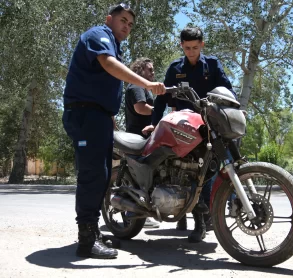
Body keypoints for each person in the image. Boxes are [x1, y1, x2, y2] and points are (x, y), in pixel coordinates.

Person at [62, 3, 165, 259]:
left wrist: (108, 117)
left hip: (98, 116)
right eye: (123, 20)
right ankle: (85, 240)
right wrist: (147, 83)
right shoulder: (99, 34)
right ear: (110, 19)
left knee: (103, 174)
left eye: (130, 24)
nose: (126, 26)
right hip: (85, 113)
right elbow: (109, 65)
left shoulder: (113, 44)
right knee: (92, 174)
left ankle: (93, 231)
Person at [144, 26, 235, 243]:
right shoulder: (175, 68)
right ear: (181, 46)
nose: (191, 52)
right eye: (187, 48)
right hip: (184, 129)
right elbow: (161, 99)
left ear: (202, 45)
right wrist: (154, 124)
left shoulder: (212, 65)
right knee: (189, 173)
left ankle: (204, 215)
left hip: (210, 127)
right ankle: (197, 222)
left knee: (208, 172)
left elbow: (227, 91)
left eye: (195, 47)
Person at [124, 57, 160, 228]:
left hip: (144, 136)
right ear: (140, 70)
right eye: (150, 70)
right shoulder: (137, 86)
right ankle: (133, 212)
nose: (153, 73)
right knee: (142, 176)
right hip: (138, 138)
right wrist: (160, 112)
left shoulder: (142, 88)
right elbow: (140, 108)